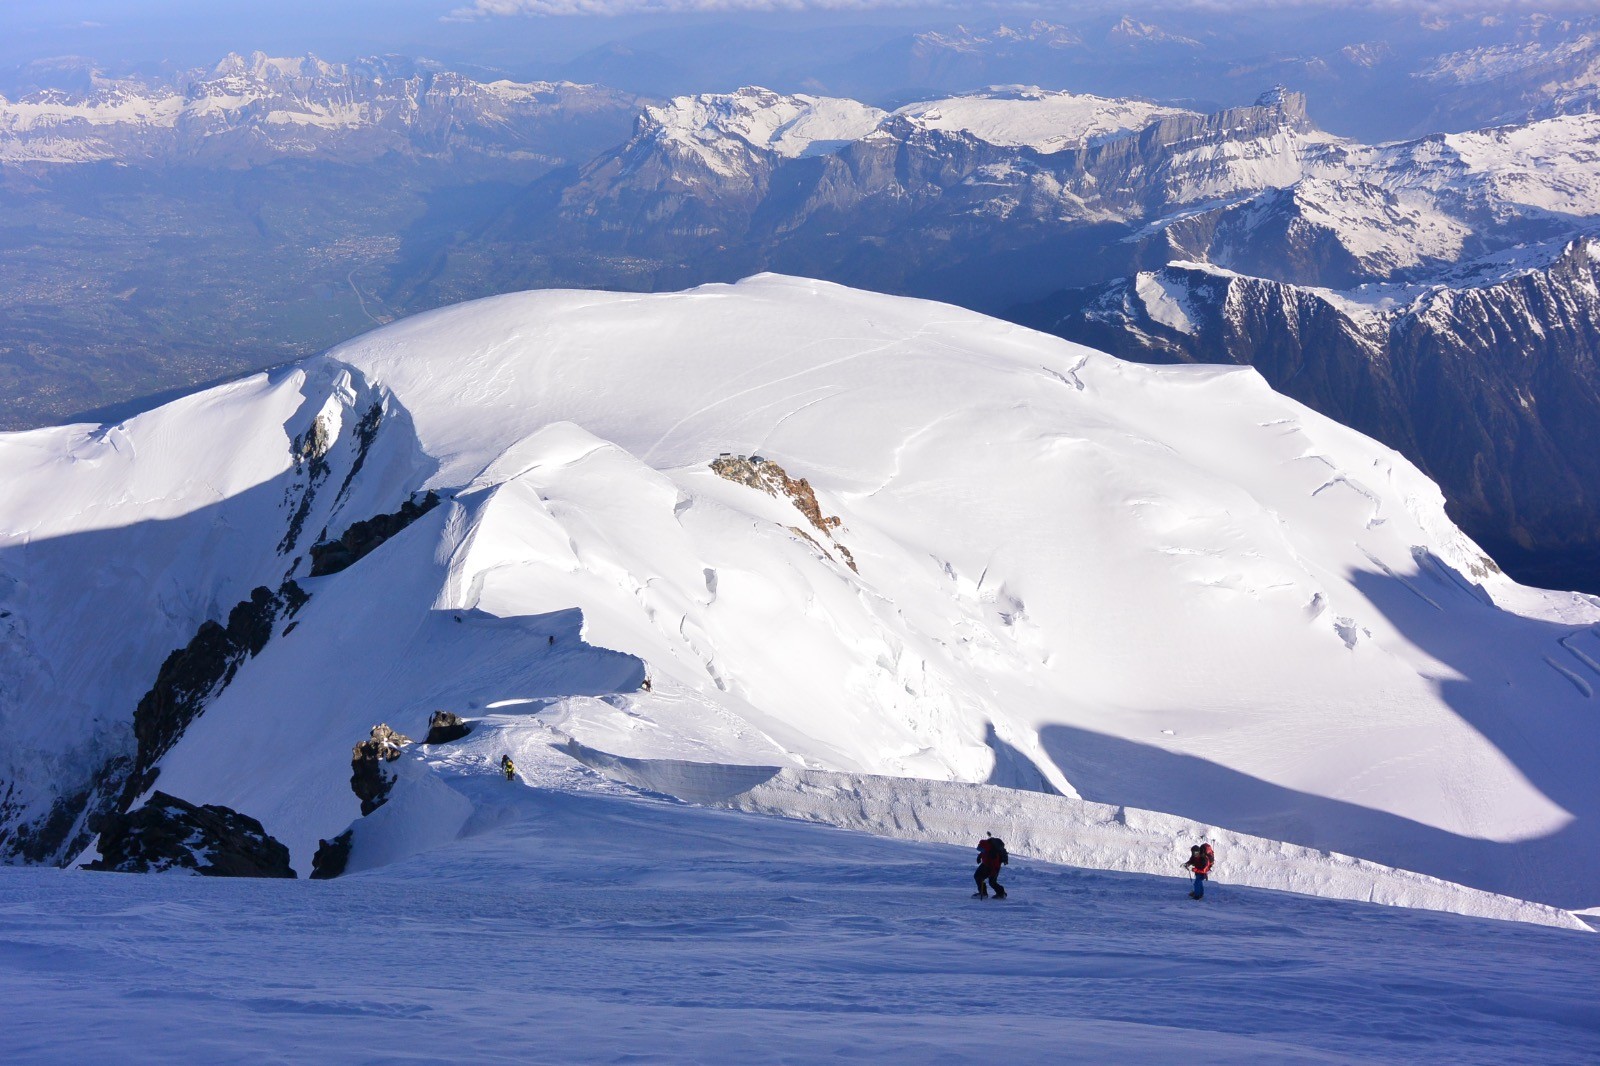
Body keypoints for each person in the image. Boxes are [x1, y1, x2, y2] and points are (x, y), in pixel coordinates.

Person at [973, 833, 1008, 899]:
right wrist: (979, 857)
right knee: (988, 880)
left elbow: (994, 863)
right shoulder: (987, 847)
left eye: (981, 849)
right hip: (986, 864)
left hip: (992, 866)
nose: (981, 850)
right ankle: (1000, 893)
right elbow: (983, 852)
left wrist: (993, 872)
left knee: (980, 877)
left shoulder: (992, 853)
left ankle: (984, 893)